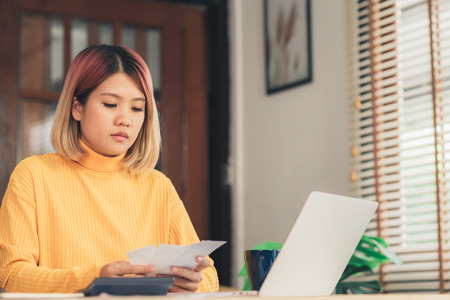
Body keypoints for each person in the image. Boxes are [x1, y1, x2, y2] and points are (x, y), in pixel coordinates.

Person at [0, 45, 219, 293]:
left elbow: (208, 274)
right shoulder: (33, 174)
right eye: (110, 104)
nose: (125, 119)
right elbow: (12, 275)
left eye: (137, 108)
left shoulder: (158, 186)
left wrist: (194, 283)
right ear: (77, 108)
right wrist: (96, 277)